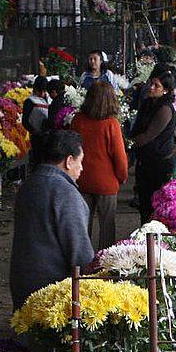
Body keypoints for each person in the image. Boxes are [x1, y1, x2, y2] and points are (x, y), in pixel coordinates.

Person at [8, 129, 94, 308]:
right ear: (69, 161)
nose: (82, 168)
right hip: (52, 287)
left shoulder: (29, 184)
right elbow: (79, 251)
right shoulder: (66, 193)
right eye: (80, 161)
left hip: (22, 281)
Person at [68, 81, 129, 251]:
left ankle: (81, 261)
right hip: (106, 182)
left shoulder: (78, 119)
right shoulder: (111, 124)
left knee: (82, 224)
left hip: (81, 179)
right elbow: (120, 157)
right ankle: (104, 262)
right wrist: (122, 176)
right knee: (107, 225)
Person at [130, 69, 176, 223]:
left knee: (155, 206)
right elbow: (137, 128)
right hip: (144, 161)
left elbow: (148, 135)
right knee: (144, 204)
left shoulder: (164, 109)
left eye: (156, 86)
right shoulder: (147, 103)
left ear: (165, 90)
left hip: (159, 164)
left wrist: (127, 144)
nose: (151, 88)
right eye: (151, 84)